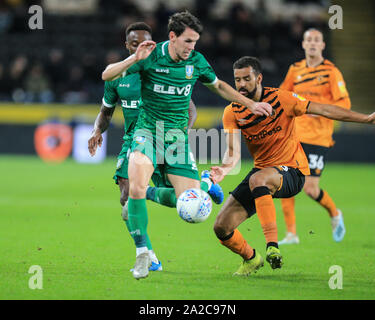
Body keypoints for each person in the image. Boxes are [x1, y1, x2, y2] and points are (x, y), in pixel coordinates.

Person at [101, 11, 274, 280]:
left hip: (176, 140)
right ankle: (143, 254)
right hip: (147, 133)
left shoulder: (196, 60)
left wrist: (252, 104)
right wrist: (134, 58)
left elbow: (218, 86)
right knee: (135, 186)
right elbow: (107, 74)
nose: (192, 47)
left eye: (195, 41)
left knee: (192, 208)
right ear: (172, 37)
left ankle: (205, 184)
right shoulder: (150, 56)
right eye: (188, 41)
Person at [210, 56, 374, 276]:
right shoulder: (233, 111)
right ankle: (251, 259)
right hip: (263, 173)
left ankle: (272, 247)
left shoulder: (282, 99)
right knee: (221, 227)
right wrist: (223, 169)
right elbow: (232, 153)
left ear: (258, 78)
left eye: (246, 79)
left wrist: (365, 119)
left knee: (257, 179)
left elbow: (324, 110)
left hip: (293, 171)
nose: (241, 85)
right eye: (237, 80)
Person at [89, 22, 221, 276]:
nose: (142, 47)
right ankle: (148, 256)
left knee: (181, 201)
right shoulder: (120, 78)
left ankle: (204, 185)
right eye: (135, 43)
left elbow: (190, 108)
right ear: (127, 46)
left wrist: (180, 133)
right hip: (136, 141)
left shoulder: (162, 69)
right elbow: (105, 112)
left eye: (146, 42)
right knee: (127, 197)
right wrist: (97, 130)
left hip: (167, 137)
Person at [279, 29, 351, 245]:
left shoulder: (331, 72)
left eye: (316, 40)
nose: (312, 43)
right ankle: (291, 234)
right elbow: (283, 96)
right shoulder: (295, 69)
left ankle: (334, 213)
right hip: (294, 135)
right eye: (308, 40)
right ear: (303, 44)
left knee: (310, 189)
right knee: (283, 181)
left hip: (318, 137)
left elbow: (344, 104)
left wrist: (318, 109)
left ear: (322, 45)